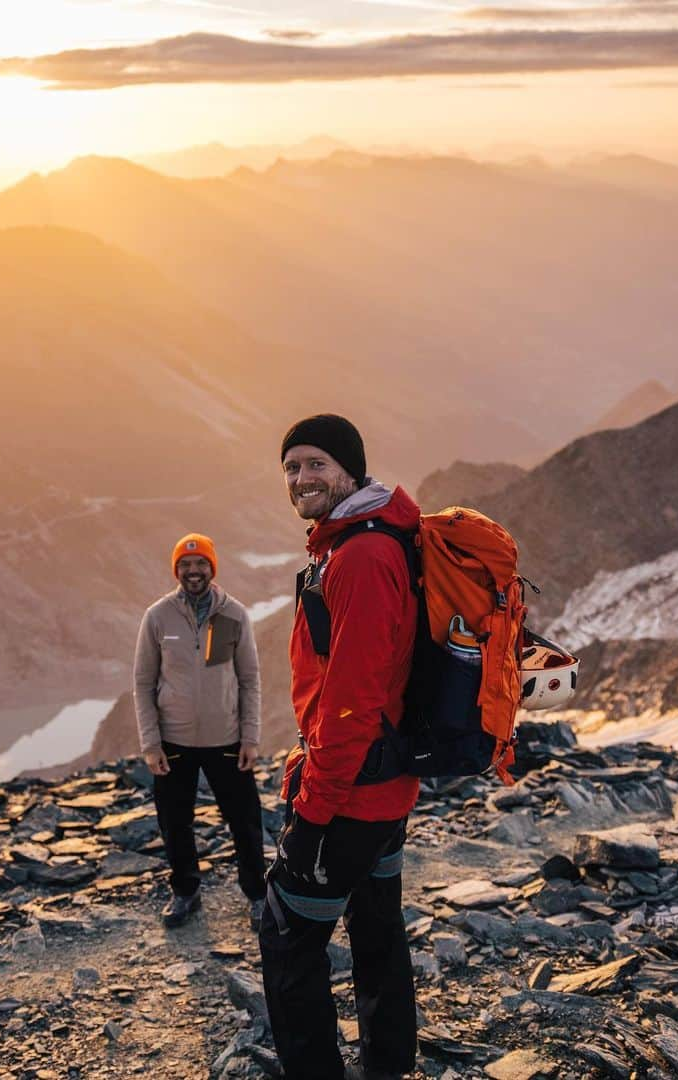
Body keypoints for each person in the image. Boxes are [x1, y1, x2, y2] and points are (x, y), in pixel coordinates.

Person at [259, 415, 420, 1080]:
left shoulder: (361, 556)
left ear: (349, 469)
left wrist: (311, 816)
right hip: (387, 787)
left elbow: (349, 706)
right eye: (291, 467)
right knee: (377, 927)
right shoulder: (373, 538)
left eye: (315, 463)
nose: (301, 479)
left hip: (351, 795)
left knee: (287, 935)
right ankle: (388, 1066)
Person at [133, 532, 267, 930]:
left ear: (212, 567)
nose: (193, 571)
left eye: (201, 564)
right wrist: (150, 743)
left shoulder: (234, 615)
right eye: (186, 565)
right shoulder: (157, 617)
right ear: (177, 569)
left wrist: (251, 736)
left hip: (227, 740)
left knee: (245, 822)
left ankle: (258, 896)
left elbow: (250, 680)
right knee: (175, 822)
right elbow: (142, 683)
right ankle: (185, 892)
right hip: (173, 742)